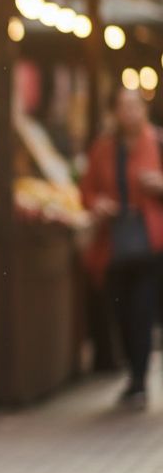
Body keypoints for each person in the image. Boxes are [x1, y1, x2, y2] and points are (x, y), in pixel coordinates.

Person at [81, 87, 163, 409]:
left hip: (149, 242)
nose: (129, 112)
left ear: (143, 109)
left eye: (134, 106)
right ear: (115, 112)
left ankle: (140, 380)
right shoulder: (103, 149)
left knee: (141, 311)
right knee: (121, 312)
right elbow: (86, 190)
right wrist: (97, 203)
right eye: (122, 106)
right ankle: (132, 372)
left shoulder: (157, 142)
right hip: (113, 241)